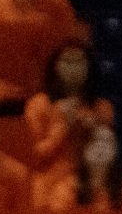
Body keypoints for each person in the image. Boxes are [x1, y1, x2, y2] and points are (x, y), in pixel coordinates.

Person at [25, 39, 112, 170]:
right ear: (55, 66)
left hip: (88, 176)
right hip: (51, 176)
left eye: (79, 62)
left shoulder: (102, 107)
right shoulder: (38, 104)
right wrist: (63, 125)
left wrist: (93, 130)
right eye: (67, 62)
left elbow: (108, 155)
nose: (73, 68)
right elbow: (34, 155)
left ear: (89, 66)